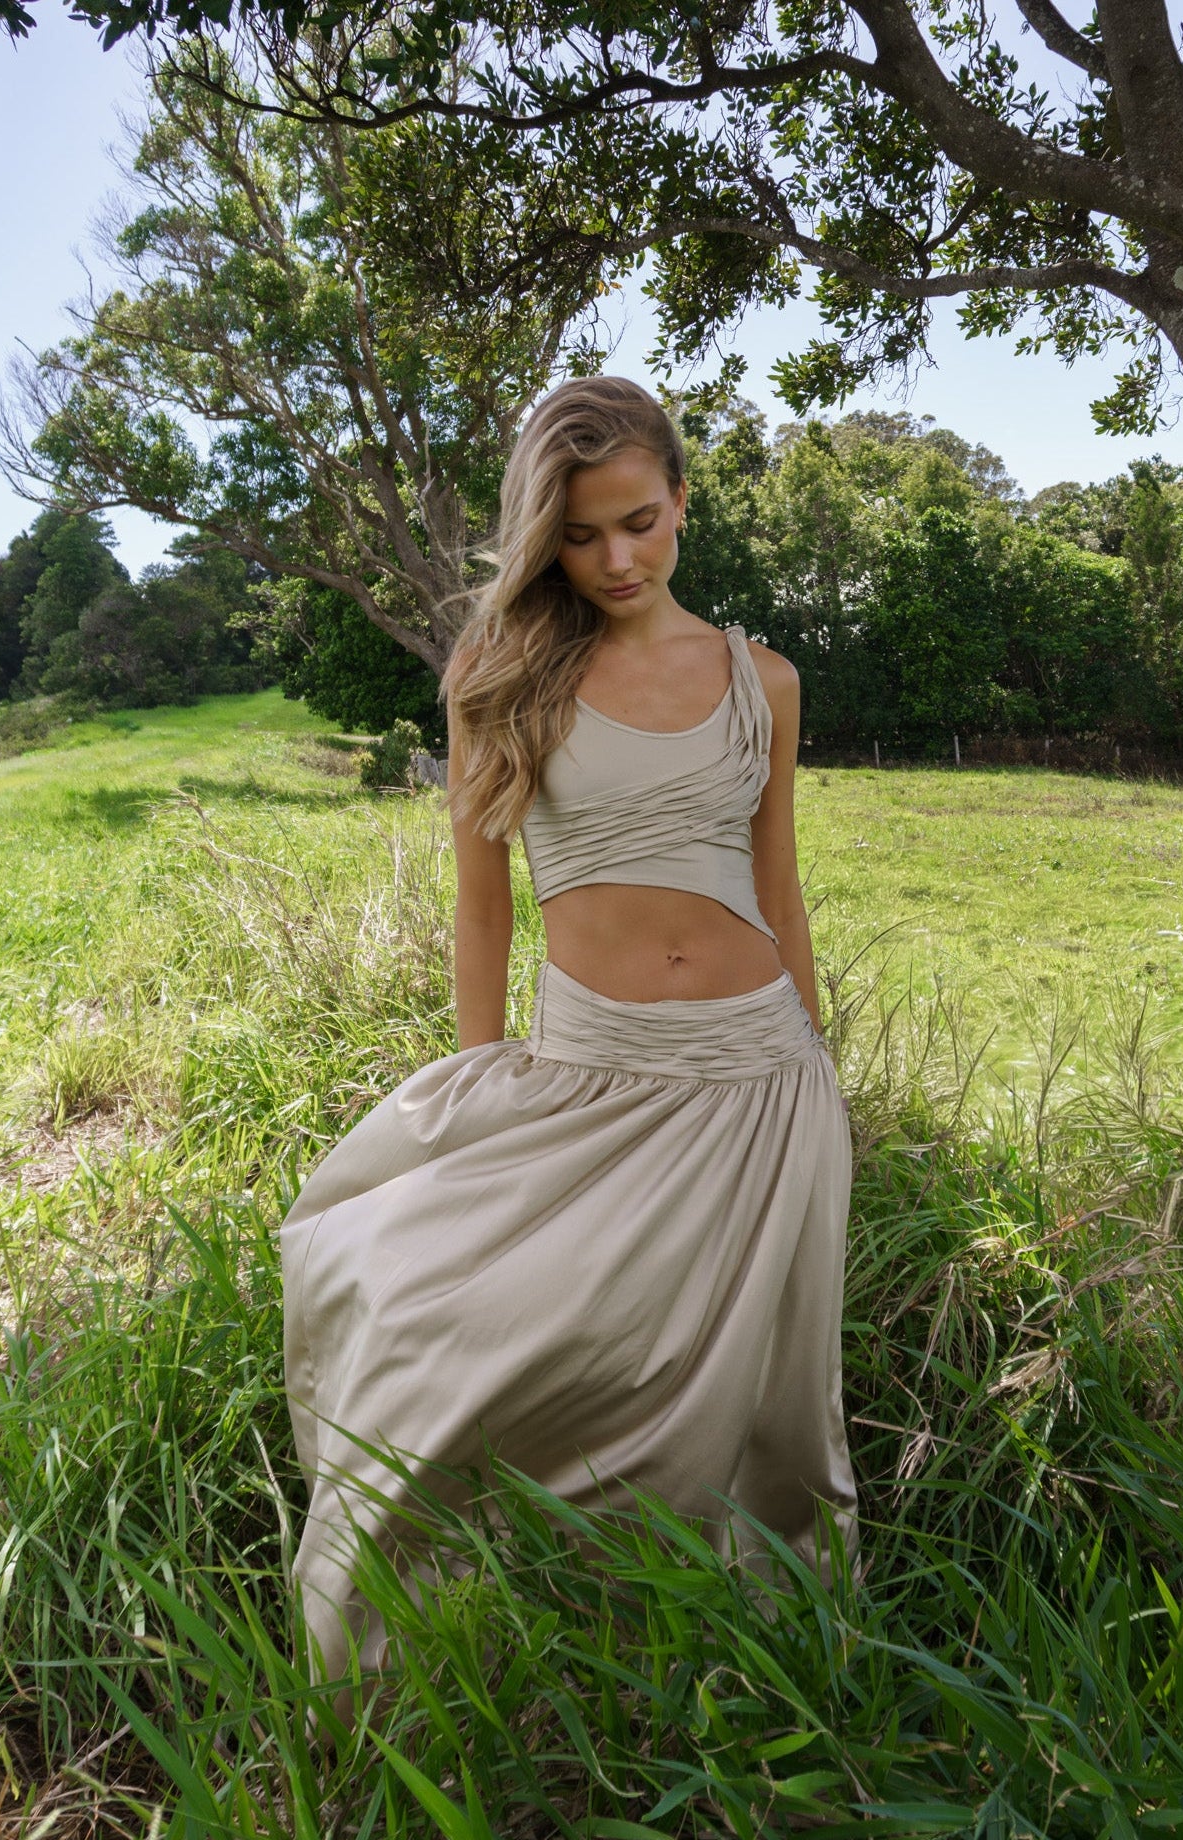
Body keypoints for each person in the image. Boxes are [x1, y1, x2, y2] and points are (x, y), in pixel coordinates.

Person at [281, 375, 859, 1690]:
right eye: (583, 535)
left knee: (755, 1401)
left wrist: (821, 1073)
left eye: (640, 524)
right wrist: (479, 1066)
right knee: (450, 1337)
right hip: (591, 1066)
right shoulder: (502, 672)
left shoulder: (761, 679)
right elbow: (480, 908)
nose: (615, 559)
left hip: (761, 1079)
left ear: (682, 505)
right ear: (546, 535)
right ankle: (434, 1645)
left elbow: (777, 890)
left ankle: (727, 1669)